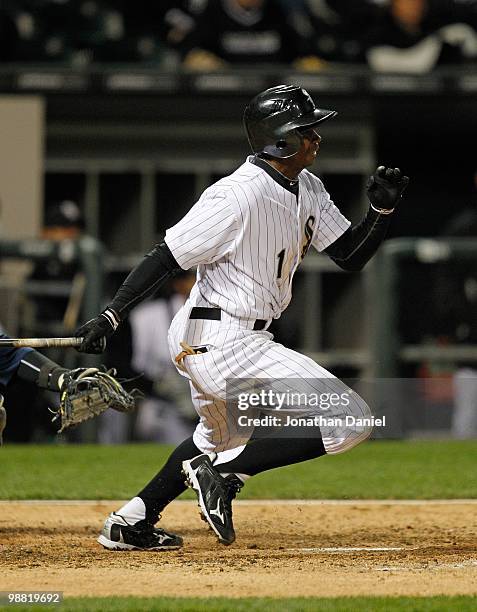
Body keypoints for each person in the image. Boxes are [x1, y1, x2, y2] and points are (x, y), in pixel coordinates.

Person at [75, 84, 409, 551]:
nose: (316, 137)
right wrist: (112, 314)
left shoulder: (308, 188)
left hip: (227, 337)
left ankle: (130, 522)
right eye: (306, 129)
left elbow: (349, 256)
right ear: (280, 140)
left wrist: (381, 211)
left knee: (215, 438)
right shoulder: (235, 195)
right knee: (351, 418)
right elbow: (167, 257)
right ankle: (225, 475)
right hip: (224, 338)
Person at [176, 0, 325, 71]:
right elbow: (190, 51)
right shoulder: (212, 12)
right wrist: (196, 58)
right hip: (224, 97)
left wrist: (306, 61)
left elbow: (302, 52)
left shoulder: (278, 12)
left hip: (273, 98)